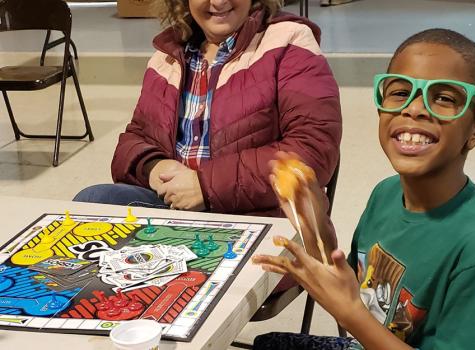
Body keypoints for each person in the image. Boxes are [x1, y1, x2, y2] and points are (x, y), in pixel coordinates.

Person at [252, 28, 475, 350]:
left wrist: (351, 313)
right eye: (400, 93)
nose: (414, 109)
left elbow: (353, 312)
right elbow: (358, 300)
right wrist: (314, 225)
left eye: (443, 98)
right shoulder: (385, 194)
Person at [73, 0, 342, 218]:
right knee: (91, 202)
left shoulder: (289, 42)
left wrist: (205, 186)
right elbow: (133, 140)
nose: (218, 2)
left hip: (258, 215)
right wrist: (153, 167)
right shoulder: (167, 56)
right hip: (177, 212)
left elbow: (313, 151)